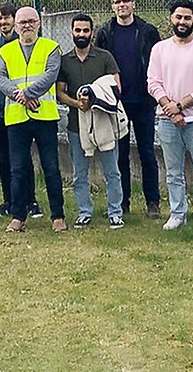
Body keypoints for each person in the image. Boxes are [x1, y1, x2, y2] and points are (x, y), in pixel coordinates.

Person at [146, 0, 193, 233]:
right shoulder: (159, 49)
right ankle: (178, 213)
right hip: (166, 121)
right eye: (178, 17)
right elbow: (153, 83)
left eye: (187, 18)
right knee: (173, 172)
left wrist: (179, 106)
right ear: (171, 18)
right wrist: (169, 107)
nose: (182, 22)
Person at [0, 6, 66, 233]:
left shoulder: (51, 47)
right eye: (22, 22)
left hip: (44, 117)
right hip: (16, 118)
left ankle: (58, 216)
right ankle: (18, 216)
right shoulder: (5, 51)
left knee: (51, 168)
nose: (27, 25)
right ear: (15, 25)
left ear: (39, 23)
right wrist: (21, 96)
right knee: (17, 169)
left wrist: (27, 93)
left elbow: (50, 75)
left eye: (31, 21)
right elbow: (0, 79)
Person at [95, 0, 162, 218]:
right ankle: (122, 203)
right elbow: (99, 65)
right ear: (112, 6)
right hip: (116, 104)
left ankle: (153, 202)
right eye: (117, 2)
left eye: (125, 1)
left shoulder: (147, 31)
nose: (122, 5)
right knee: (120, 155)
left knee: (147, 153)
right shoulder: (105, 33)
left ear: (133, 4)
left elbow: (157, 62)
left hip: (143, 101)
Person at [57, 13, 124, 230]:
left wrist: (95, 98)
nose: (81, 34)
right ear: (72, 32)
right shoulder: (65, 60)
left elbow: (117, 87)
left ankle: (115, 212)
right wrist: (78, 103)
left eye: (86, 30)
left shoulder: (105, 57)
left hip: (104, 123)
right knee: (79, 174)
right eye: (78, 30)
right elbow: (60, 93)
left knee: (112, 171)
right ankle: (84, 211)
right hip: (77, 126)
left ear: (92, 33)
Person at [0, 4, 40, 219]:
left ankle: (30, 201)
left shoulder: (24, 43)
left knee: (23, 158)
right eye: (0, 18)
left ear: (15, 20)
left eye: (7, 18)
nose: (4, 22)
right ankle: (9, 201)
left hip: (23, 109)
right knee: (4, 159)